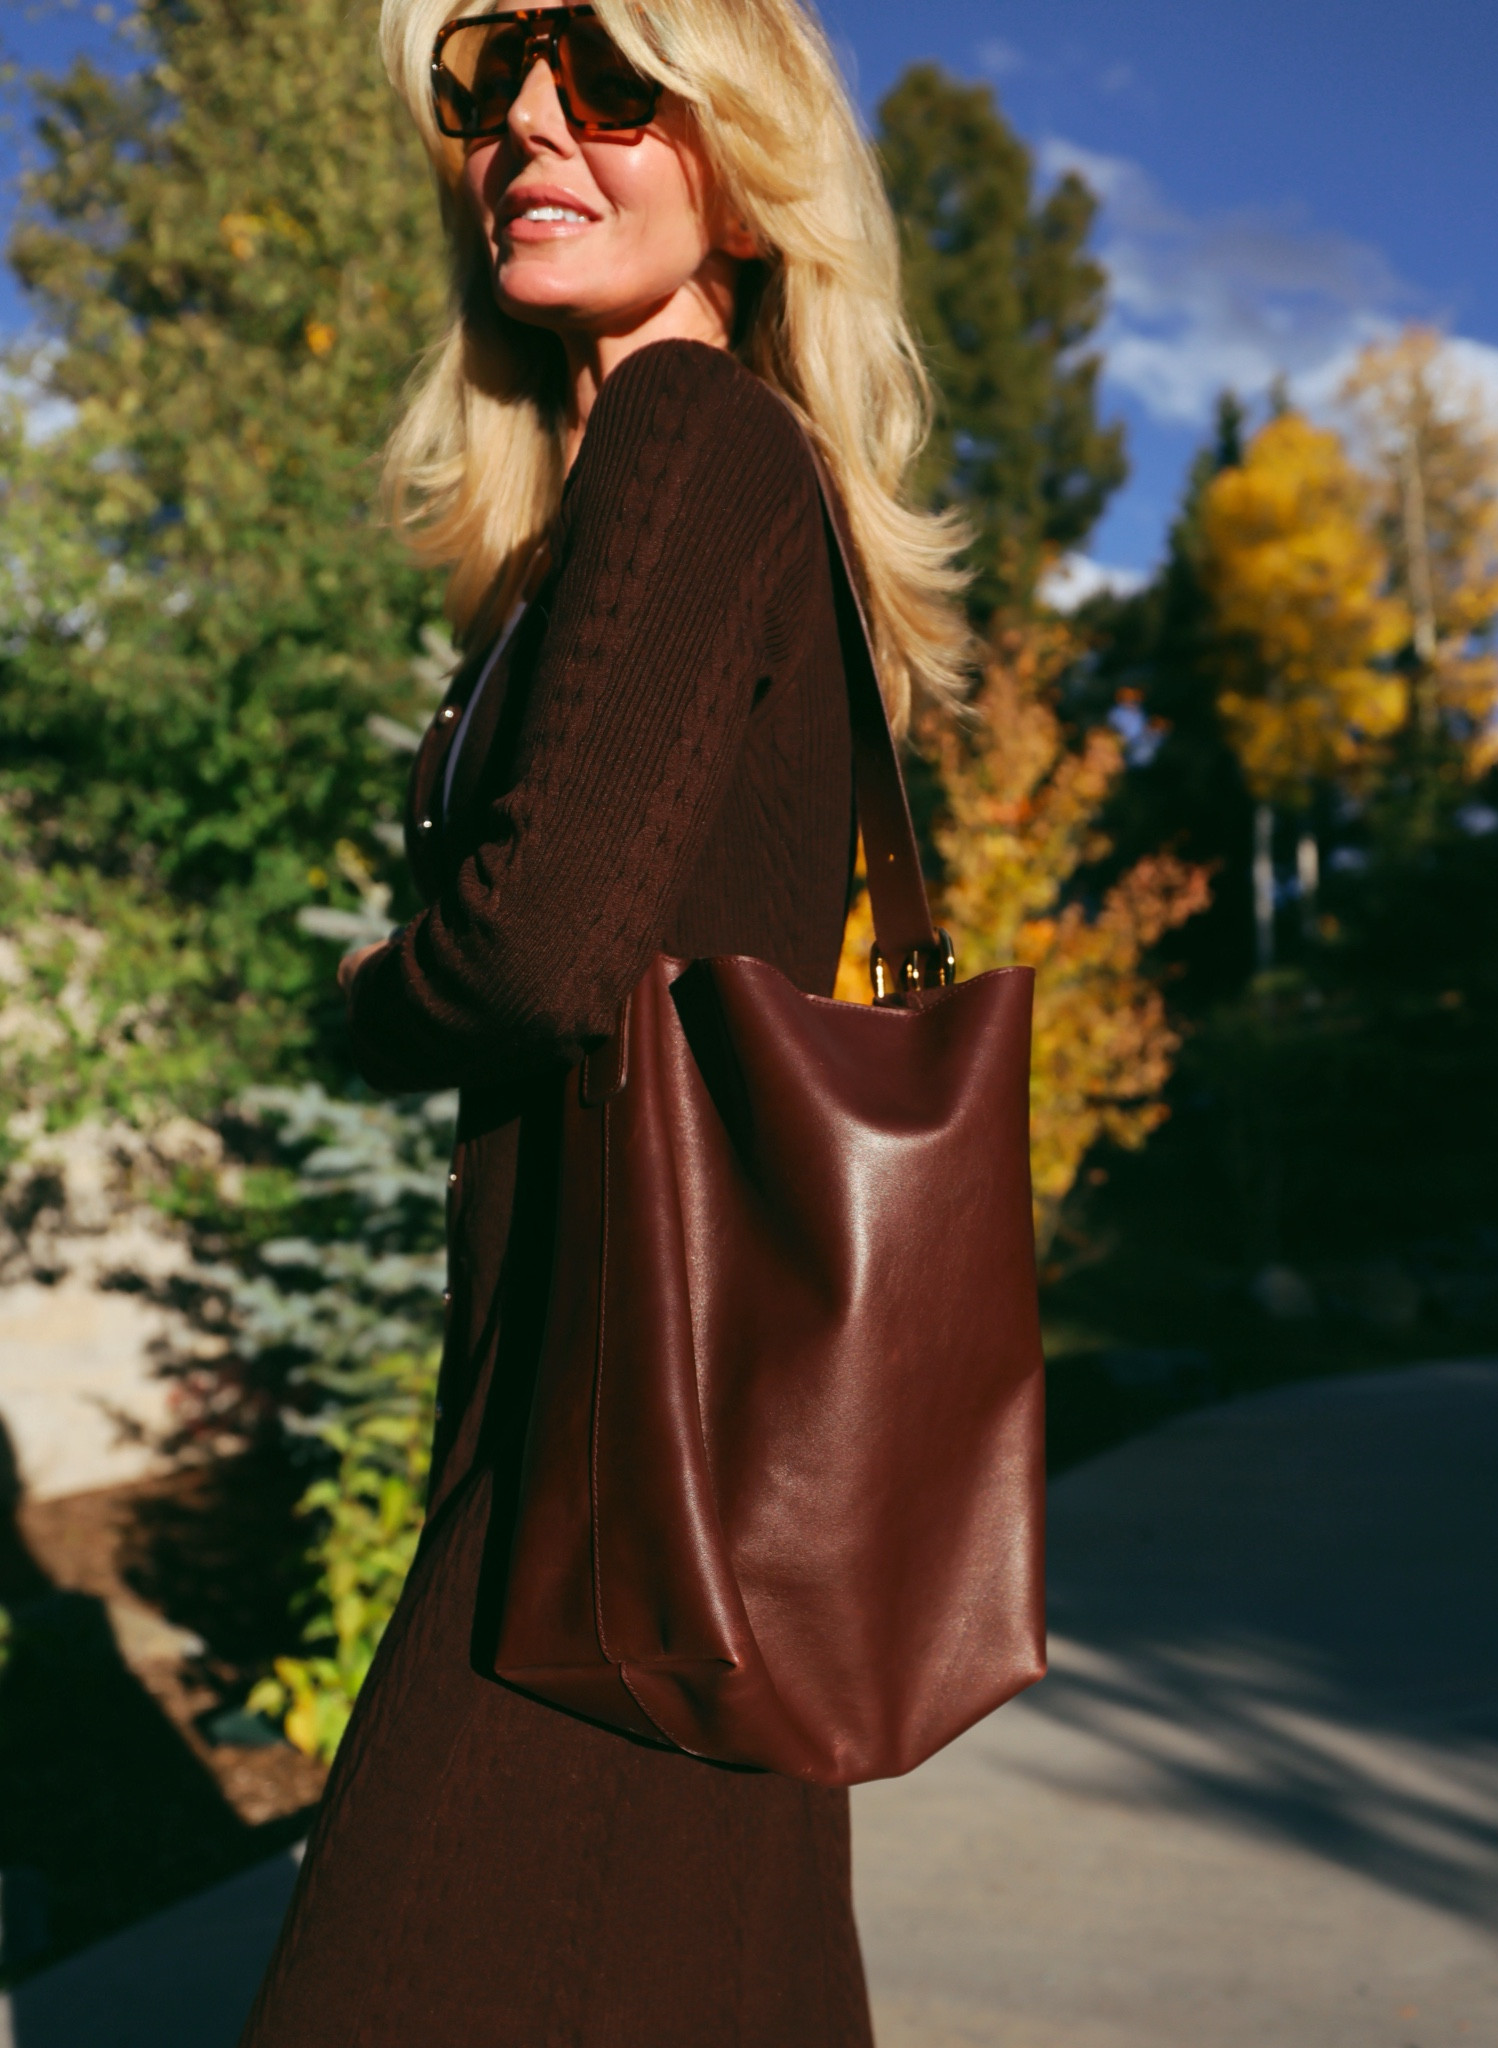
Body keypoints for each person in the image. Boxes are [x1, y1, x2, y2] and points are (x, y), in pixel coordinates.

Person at [239, 1, 968, 2040]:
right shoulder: (662, 493)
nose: (531, 132)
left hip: (600, 1479)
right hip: (671, 1469)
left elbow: (535, 954)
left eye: (609, 81)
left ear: (741, 164)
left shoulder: (690, 435)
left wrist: (364, 999)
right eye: (488, 90)